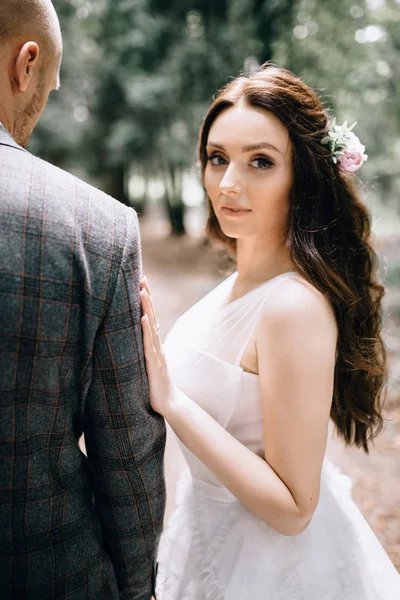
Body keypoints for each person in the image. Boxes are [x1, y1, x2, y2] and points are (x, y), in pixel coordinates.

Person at [139, 64, 400, 598]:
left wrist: (174, 402)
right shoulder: (236, 285)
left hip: (271, 571)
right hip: (201, 540)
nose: (229, 183)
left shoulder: (292, 307)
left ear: (301, 175)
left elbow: (295, 509)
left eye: (261, 161)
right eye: (217, 159)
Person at [0, 1, 165, 598]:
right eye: (48, 85)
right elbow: (128, 457)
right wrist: (137, 588)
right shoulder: (94, 228)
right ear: (26, 64)